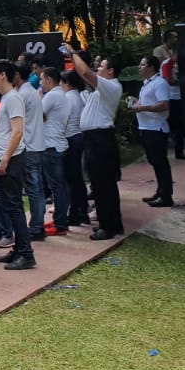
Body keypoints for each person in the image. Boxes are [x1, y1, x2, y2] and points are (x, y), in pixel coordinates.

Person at [65, 45, 124, 240]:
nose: (98, 68)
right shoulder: (101, 89)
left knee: (103, 184)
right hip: (94, 138)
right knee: (99, 184)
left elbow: (85, 72)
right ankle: (109, 223)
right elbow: (83, 75)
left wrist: (73, 53)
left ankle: (109, 227)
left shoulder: (111, 86)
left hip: (100, 138)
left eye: (101, 66)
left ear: (111, 71)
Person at [0, 60, 35, 269]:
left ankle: (26, 253)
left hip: (12, 158)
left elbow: (17, 131)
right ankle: (19, 249)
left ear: (3, 75)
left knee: (14, 206)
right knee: (10, 205)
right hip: (6, 157)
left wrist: (5, 158)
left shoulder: (13, 98)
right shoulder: (7, 98)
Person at [133, 54, 173, 207]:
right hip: (146, 127)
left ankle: (166, 196)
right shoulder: (146, 83)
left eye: (143, 64)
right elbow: (146, 101)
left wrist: (142, 108)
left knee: (160, 162)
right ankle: (160, 191)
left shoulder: (160, 83)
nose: (139, 67)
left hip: (156, 128)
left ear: (151, 67)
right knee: (154, 162)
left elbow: (164, 105)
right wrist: (137, 104)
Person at [15, 67, 48, 242]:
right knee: (37, 188)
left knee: (33, 189)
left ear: (17, 75)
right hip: (37, 144)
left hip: (29, 146)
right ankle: (38, 224)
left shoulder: (23, 94)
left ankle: (36, 226)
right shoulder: (33, 92)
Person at [39, 66, 72, 236]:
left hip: (51, 145)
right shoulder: (61, 95)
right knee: (60, 186)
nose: (40, 82)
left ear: (49, 80)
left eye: (41, 79)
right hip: (58, 144)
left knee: (57, 187)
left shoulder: (52, 95)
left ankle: (60, 223)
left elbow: (38, 115)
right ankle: (61, 219)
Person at [60, 69, 91, 227]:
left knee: (71, 178)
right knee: (77, 177)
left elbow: (63, 120)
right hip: (78, 136)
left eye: (61, 82)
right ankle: (82, 210)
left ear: (67, 83)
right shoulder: (79, 96)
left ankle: (75, 213)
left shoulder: (67, 98)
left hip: (71, 138)